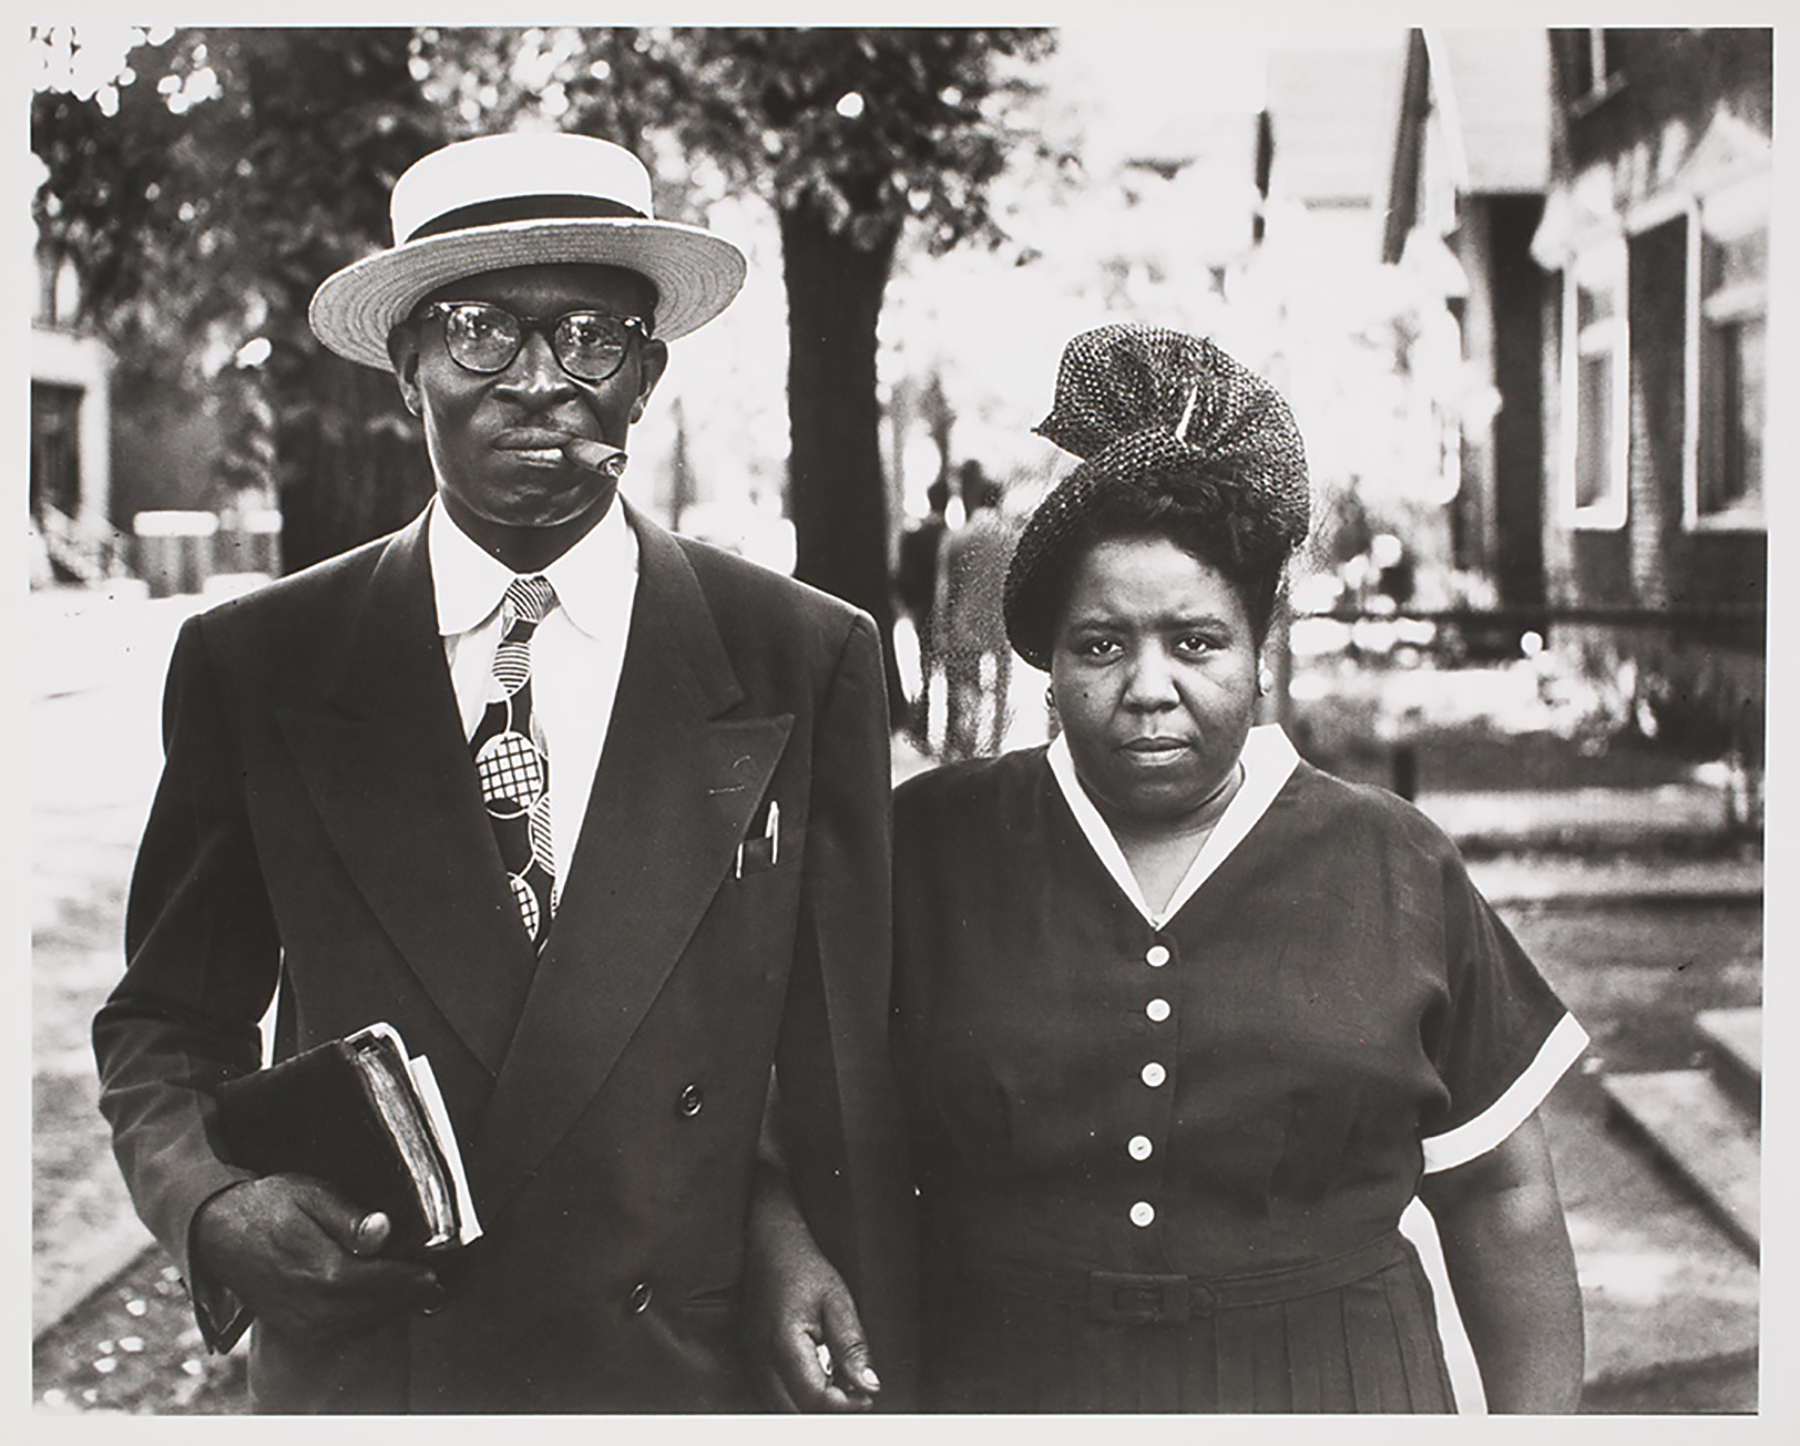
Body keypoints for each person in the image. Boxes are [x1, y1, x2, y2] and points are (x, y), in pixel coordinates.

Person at [93, 131, 913, 1413]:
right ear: (403, 375)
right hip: (382, 1369)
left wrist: (788, 1229)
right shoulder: (260, 663)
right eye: (478, 331)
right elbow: (165, 1024)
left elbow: (835, 1058)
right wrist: (214, 1206)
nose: (539, 382)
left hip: (675, 1373)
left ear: (646, 377)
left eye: (591, 336)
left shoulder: (803, 658)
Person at [890, 324, 1587, 1413]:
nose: (1150, 685)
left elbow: (1503, 1194)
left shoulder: (1394, 861)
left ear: (1263, 654)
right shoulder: (933, 844)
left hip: (1333, 1389)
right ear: (1051, 665)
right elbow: (807, 1128)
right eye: (1102, 644)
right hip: (1006, 1387)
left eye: (1198, 642)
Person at [934, 462, 1014, 759]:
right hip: (1001, 625)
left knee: (966, 690)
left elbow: (945, 591)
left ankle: (963, 748)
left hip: (964, 625)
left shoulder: (958, 537)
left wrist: (941, 628)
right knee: (999, 692)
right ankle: (993, 745)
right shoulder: (1013, 539)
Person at [893, 477, 951, 748]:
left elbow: (902, 576)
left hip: (921, 608)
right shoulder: (951, 535)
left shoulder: (914, 535)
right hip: (947, 611)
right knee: (949, 670)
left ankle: (922, 727)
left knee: (924, 667)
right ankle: (950, 730)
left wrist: (908, 604)